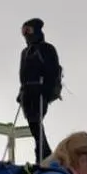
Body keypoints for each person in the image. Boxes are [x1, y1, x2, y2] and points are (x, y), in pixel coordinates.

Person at [17, 17, 62, 163]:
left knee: (36, 122)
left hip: (40, 91)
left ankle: (43, 155)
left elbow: (53, 70)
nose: (26, 34)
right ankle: (44, 154)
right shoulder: (25, 52)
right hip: (27, 92)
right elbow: (23, 74)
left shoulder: (46, 48)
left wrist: (47, 89)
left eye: (28, 30)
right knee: (34, 125)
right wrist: (21, 92)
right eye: (23, 31)